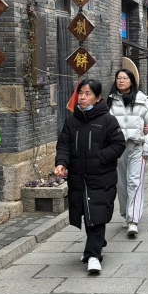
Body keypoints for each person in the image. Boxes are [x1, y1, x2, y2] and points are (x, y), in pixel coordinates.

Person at [54, 79, 126, 275]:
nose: (83, 97)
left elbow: (119, 144)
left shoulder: (107, 120)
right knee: (87, 213)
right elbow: (64, 144)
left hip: (101, 177)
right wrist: (61, 163)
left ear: (98, 97)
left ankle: (94, 255)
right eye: (81, 93)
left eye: (88, 94)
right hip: (78, 178)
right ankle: (96, 243)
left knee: (97, 213)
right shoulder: (72, 121)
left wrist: (100, 158)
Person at [107, 68, 148, 238]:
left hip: (136, 146)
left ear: (132, 81)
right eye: (118, 78)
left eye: (125, 78)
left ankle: (133, 220)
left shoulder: (142, 100)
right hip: (118, 148)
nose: (121, 81)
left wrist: (147, 147)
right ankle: (126, 214)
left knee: (134, 181)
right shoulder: (111, 101)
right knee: (121, 183)